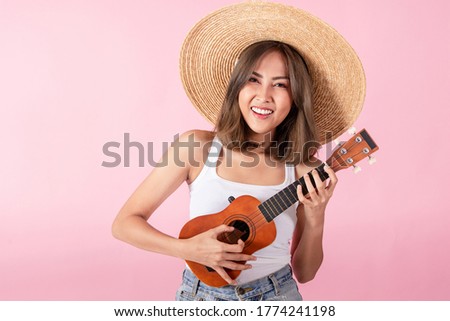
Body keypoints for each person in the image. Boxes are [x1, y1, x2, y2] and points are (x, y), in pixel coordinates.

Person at [112, 2, 366, 301]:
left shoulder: (302, 170)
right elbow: (124, 224)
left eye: (280, 85)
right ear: (237, 88)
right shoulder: (196, 148)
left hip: (277, 297)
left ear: (295, 98)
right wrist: (186, 249)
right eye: (253, 79)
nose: (264, 95)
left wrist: (316, 214)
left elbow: (306, 272)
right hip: (199, 298)